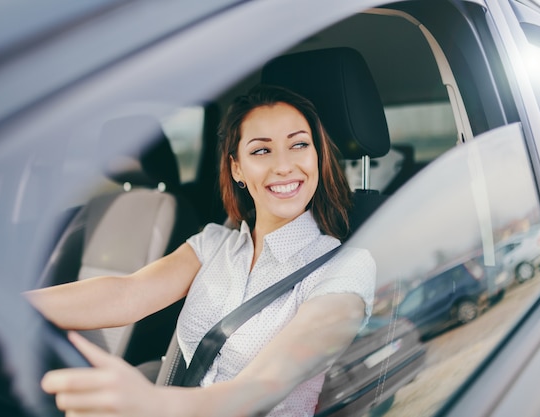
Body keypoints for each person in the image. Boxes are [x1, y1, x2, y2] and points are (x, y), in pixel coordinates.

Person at [26, 84, 376, 417]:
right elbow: (127, 293)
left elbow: (268, 380)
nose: (284, 165)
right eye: (261, 150)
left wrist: (156, 404)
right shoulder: (214, 243)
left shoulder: (346, 268)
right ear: (237, 167)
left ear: (318, 156)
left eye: (299, 145)